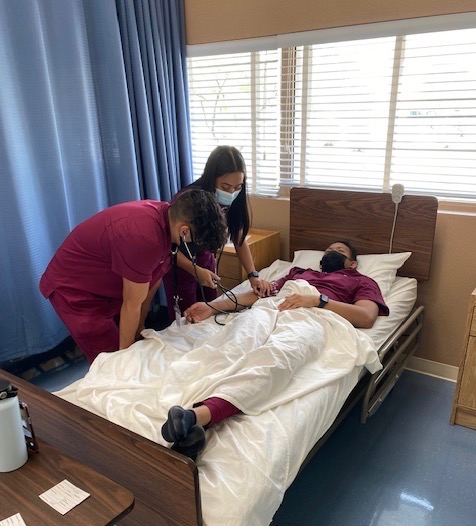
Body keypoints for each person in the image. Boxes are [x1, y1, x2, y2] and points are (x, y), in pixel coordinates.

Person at [161, 240, 389, 459]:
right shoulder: (298, 273)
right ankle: (189, 427)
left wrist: (316, 301)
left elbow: (366, 317)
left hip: (314, 318)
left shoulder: (363, 281)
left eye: (339, 250)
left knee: (275, 359)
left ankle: (196, 416)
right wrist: (212, 307)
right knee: (233, 344)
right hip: (270, 309)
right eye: (328, 250)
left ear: (352, 263)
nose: (331, 252)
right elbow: (258, 294)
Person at [39, 189, 228, 364]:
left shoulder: (166, 220)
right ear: (184, 231)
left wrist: (140, 327)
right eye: (198, 243)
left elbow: (151, 281)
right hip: (76, 292)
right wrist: (126, 359)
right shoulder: (145, 237)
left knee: (132, 344)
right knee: (112, 361)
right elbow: (132, 304)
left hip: (107, 289)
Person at [163, 145, 274, 324]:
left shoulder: (234, 199)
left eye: (237, 187)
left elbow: (239, 239)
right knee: (186, 319)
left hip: (205, 260)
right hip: (180, 262)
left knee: (210, 309)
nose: (231, 193)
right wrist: (195, 270)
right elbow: (168, 249)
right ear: (211, 177)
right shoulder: (188, 200)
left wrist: (253, 275)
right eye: (225, 186)